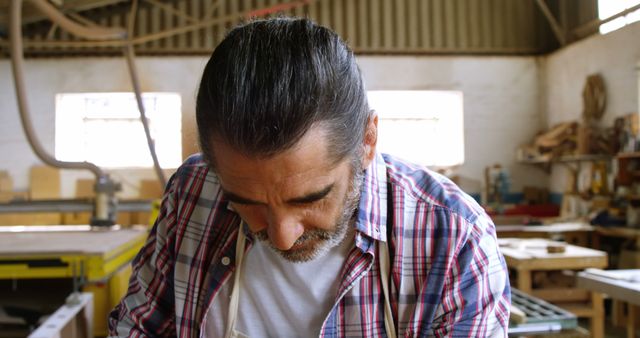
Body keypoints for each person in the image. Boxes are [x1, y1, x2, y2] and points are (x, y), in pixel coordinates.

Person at [109, 17, 510, 337]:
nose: (282, 236)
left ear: (367, 141)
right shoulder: (194, 191)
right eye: (247, 204)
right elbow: (139, 327)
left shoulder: (455, 237)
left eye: (309, 199)